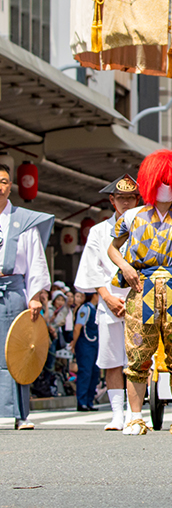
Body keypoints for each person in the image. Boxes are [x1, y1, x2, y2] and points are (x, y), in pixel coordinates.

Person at [107, 149, 172, 436]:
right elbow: (112, 248)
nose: (166, 187)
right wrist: (125, 266)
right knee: (138, 352)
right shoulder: (132, 217)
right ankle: (135, 417)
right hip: (142, 287)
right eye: (161, 180)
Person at [74, 174, 141, 431]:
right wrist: (107, 297)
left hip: (140, 300)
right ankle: (116, 413)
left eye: (130, 198)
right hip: (110, 300)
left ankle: (137, 411)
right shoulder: (99, 231)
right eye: (121, 198)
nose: (126, 203)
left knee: (141, 360)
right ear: (112, 200)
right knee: (112, 359)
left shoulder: (146, 229)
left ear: (138, 199)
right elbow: (93, 269)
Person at [0, 162, 53, 430]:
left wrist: (34, 295)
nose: (0, 186)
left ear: (11, 186)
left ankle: (21, 415)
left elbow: (36, 261)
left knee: (19, 351)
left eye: (4, 181)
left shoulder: (24, 221)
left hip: (14, 290)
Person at [70, 292, 100, 411]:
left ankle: (89, 401)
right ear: (94, 295)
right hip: (85, 344)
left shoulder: (95, 309)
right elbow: (78, 327)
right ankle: (81, 401)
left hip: (94, 344)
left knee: (94, 372)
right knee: (85, 372)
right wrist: (74, 343)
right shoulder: (85, 308)